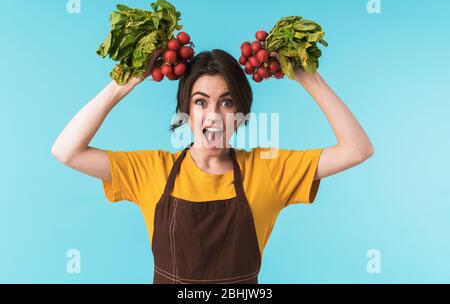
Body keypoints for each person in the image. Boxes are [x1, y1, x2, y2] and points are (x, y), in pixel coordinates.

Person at [51, 48, 374, 284]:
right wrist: (124, 83)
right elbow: (67, 151)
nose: (214, 115)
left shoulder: (270, 169)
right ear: (185, 112)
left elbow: (357, 150)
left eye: (227, 102)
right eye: (201, 101)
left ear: (242, 114)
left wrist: (309, 78)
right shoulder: (151, 169)